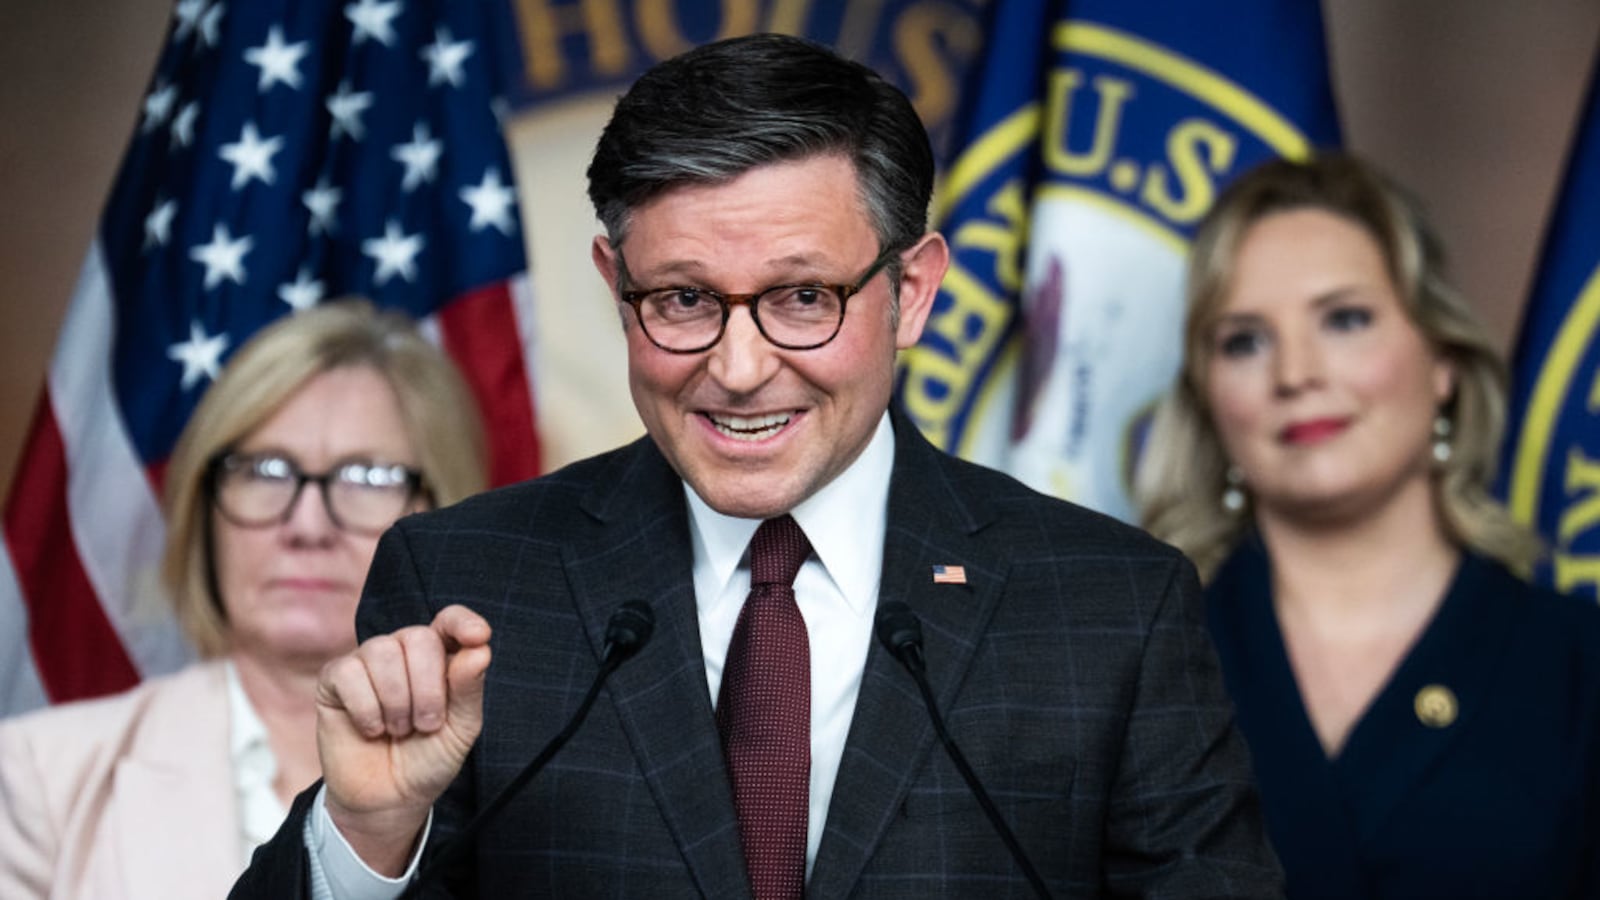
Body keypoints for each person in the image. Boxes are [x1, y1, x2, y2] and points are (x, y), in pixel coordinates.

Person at [232, 34, 1282, 899]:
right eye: (683, 300)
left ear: (910, 291)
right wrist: (365, 839)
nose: (738, 370)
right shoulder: (466, 584)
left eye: (801, 298)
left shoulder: (1109, 608)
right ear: (616, 283)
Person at [1138, 153, 1600, 898]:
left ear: (1442, 360)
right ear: (1208, 398)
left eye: (1344, 319)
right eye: (1245, 341)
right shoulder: (1130, 667)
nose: (1296, 374)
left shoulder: (1582, 669)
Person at [0, 300, 488, 900]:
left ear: (442, 512)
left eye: (366, 478)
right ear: (202, 511)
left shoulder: (531, 784)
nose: (307, 525)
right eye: (265, 471)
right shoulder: (38, 774)